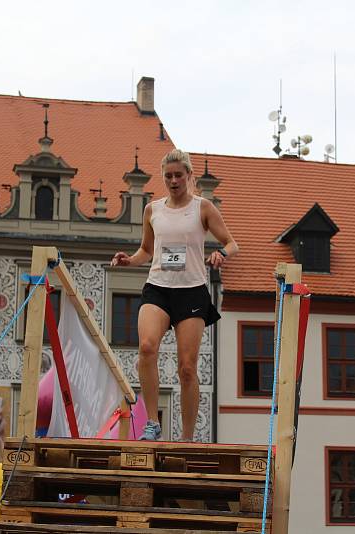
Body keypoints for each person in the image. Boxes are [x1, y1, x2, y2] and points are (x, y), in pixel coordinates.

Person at [111, 149, 237, 441]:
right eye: (168, 176)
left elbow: (232, 243)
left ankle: (187, 437)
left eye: (178, 175)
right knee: (146, 347)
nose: (173, 180)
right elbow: (146, 250)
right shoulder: (153, 210)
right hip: (158, 288)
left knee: (187, 368)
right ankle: (152, 423)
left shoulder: (202, 208)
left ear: (189, 176)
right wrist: (130, 260)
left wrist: (220, 254)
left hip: (191, 292)